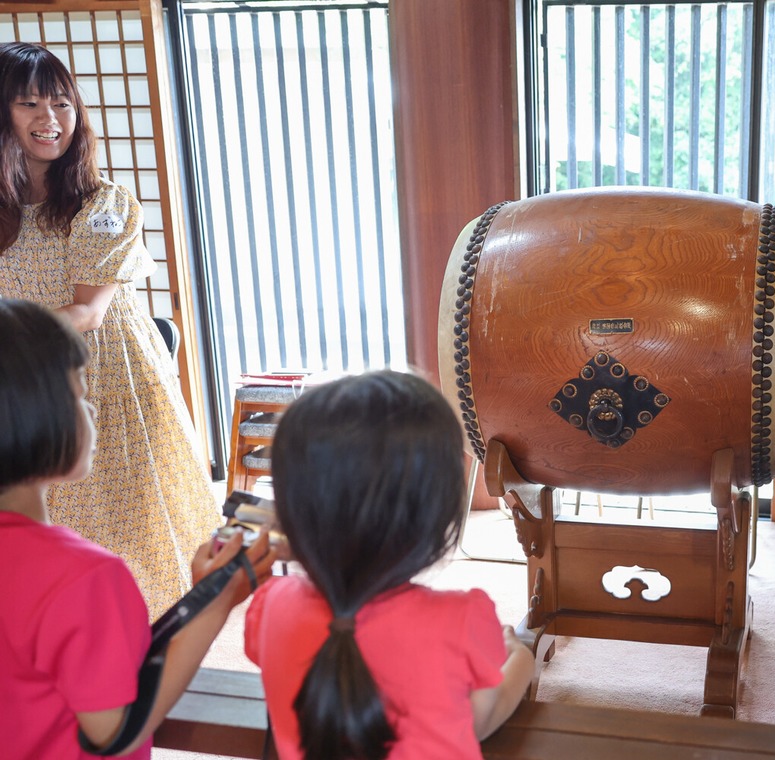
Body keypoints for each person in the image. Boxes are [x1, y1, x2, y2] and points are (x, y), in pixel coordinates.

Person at [0, 298, 277, 759]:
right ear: (36, 418)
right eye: (79, 394)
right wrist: (220, 602)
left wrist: (201, 597)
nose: (90, 411)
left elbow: (100, 666)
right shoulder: (81, 575)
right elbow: (115, 729)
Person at [0, 41, 220, 617]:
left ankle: (144, 652)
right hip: (25, 384)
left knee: (138, 535)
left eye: (62, 103)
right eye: (28, 104)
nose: (51, 119)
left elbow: (86, 314)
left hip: (111, 380)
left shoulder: (104, 203)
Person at [244, 370, 535, 759]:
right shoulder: (462, 619)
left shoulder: (270, 606)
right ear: (435, 513)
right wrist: (521, 658)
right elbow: (484, 715)